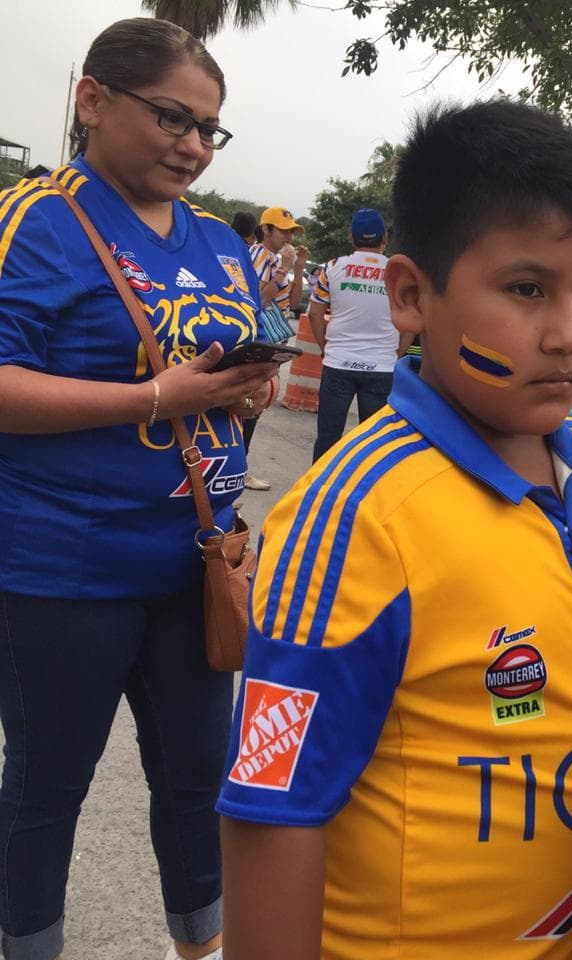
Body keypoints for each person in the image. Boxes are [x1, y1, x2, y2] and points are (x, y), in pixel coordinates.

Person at [218, 99, 572, 960]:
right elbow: (273, 807)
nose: (570, 335)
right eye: (527, 289)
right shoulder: (358, 516)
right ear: (411, 295)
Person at [0, 18, 280, 960]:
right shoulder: (37, 221)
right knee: (46, 790)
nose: (194, 146)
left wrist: (247, 390)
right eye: (172, 118)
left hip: (196, 567)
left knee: (200, 780)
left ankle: (199, 947)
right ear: (93, 100)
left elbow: (226, 373)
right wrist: (156, 398)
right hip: (61, 569)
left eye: (209, 128)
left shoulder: (220, 242)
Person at [307, 207, 410, 461]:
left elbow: (314, 314)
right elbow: (409, 323)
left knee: (328, 438)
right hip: (382, 366)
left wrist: (325, 348)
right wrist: (397, 353)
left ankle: (321, 485)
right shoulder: (399, 273)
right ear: (385, 238)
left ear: (351, 238)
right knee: (375, 444)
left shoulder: (332, 267)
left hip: (338, 363)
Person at [242, 205, 309, 490]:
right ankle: (238, 469)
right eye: (284, 231)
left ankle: (239, 467)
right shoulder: (260, 255)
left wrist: (298, 267)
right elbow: (259, 300)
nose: (289, 238)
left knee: (257, 404)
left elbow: (293, 303)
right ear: (266, 230)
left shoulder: (279, 258)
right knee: (250, 403)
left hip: (273, 340)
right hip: (260, 340)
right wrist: (283, 268)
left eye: (292, 232)